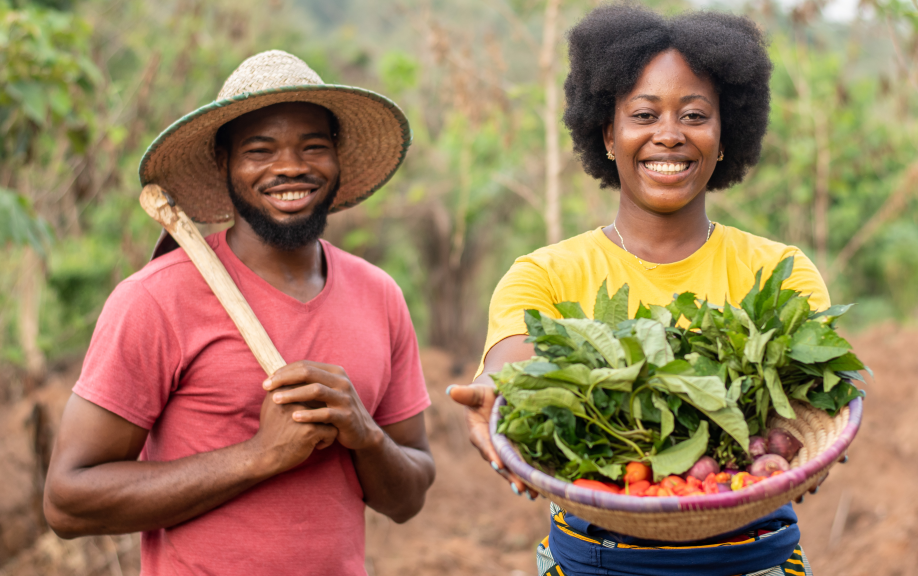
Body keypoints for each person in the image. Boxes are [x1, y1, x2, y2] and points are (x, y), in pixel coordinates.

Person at [449, 7, 831, 576]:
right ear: (608, 133)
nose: (669, 135)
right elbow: (513, 360)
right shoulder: (547, 273)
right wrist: (493, 390)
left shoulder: (778, 273)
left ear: (726, 134)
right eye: (644, 114)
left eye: (695, 115)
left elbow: (818, 402)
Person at [43, 50, 434, 575]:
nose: (291, 166)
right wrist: (262, 455)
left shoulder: (379, 294)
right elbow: (67, 502)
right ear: (223, 164)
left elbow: (408, 498)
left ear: (337, 159)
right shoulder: (157, 299)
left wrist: (364, 434)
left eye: (313, 146)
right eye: (260, 149)